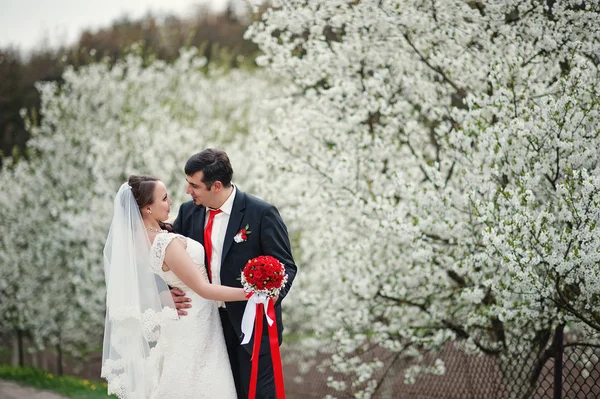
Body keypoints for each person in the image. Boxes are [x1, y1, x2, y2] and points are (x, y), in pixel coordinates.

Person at [101, 174, 247, 399]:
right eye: (164, 198)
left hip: (184, 319)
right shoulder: (165, 242)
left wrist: (161, 294)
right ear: (147, 208)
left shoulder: (140, 240)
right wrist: (253, 293)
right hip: (194, 319)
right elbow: (204, 289)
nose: (170, 203)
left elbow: (142, 279)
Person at [172, 149, 297, 398]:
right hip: (206, 325)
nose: (188, 191)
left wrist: (267, 298)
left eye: (194, 185)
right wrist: (168, 292)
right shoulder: (188, 213)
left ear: (216, 186)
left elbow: (286, 266)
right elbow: (169, 259)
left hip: (253, 327)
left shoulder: (261, 213)